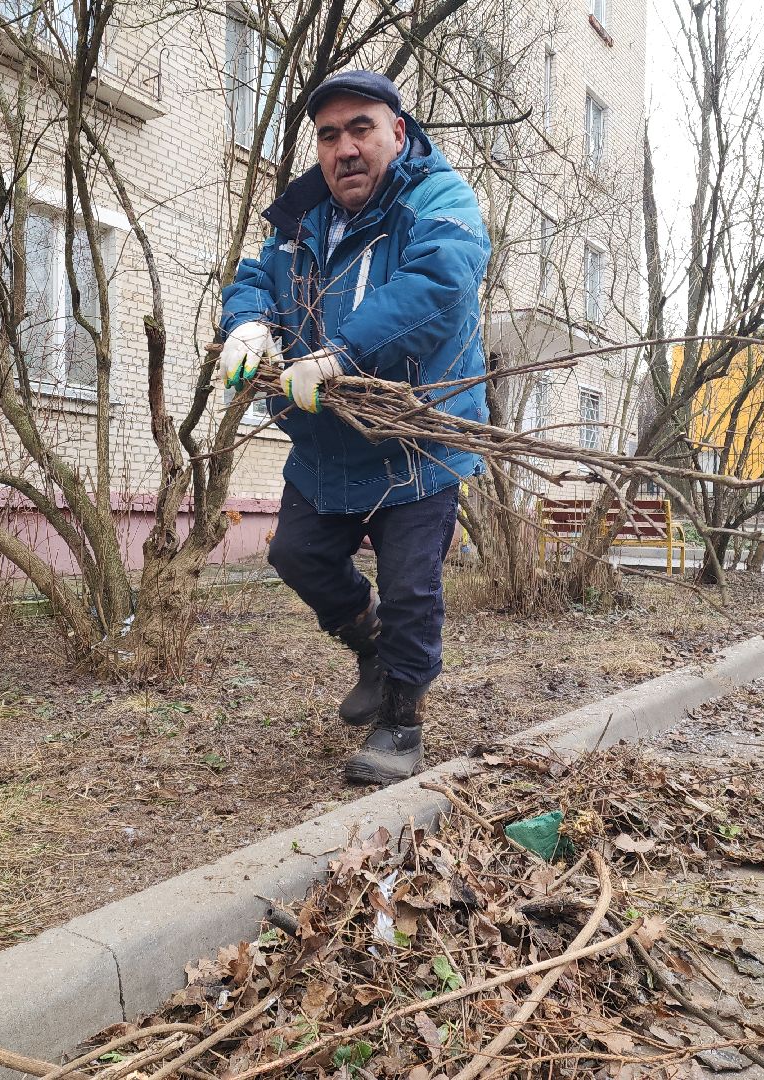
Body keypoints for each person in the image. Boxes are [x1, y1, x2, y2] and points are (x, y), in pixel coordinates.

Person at [219, 70, 490, 785]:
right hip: (328, 444)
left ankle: (402, 723)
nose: (344, 148)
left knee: (410, 591)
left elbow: (440, 284)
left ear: (397, 133)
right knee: (298, 555)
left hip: (416, 446)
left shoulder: (439, 200)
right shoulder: (300, 219)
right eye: (329, 134)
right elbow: (254, 275)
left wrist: (342, 353)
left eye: (361, 128)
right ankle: (369, 645)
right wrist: (246, 322)